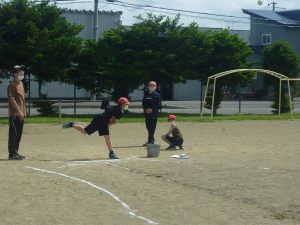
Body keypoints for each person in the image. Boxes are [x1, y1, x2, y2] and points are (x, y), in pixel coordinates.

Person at [62, 97, 130, 159]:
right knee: (107, 137)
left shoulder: (113, 107)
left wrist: (106, 123)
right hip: (103, 121)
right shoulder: (120, 112)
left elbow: (106, 109)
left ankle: (72, 124)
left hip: (98, 117)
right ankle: (111, 153)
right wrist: (107, 125)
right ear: (121, 104)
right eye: (125, 104)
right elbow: (114, 122)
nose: (126, 105)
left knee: (85, 131)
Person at [7, 65, 26, 160]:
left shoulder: (21, 84)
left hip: (21, 113)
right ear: (15, 74)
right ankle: (12, 154)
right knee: (13, 134)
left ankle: (16, 152)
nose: (22, 74)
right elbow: (12, 100)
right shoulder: (12, 85)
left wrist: (23, 112)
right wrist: (19, 112)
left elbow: (22, 99)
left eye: (22, 72)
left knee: (18, 134)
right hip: (14, 114)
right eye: (19, 72)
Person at [142, 81, 161, 145]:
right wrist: (145, 109)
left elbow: (158, 105)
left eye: (153, 85)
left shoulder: (157, 95)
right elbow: (143, 103)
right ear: (148, 86)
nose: (152, 87)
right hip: (147, 114)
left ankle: (151, 141)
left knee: (152, 127)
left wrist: (152, 109)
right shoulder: (146, 94)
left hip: (154, 114)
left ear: (155, 87)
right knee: (148, 127)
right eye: (151, 85)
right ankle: (151, 139)